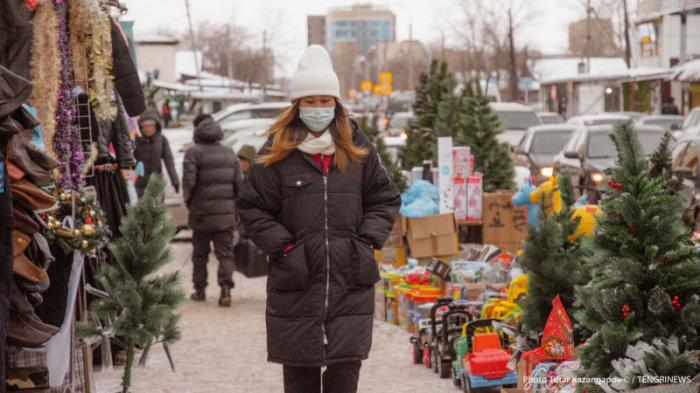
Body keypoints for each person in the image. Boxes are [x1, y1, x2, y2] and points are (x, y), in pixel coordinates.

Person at [237, 45, 401, 393]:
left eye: (324, 101)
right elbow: (251, 207)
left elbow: (385, 197)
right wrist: (284, 247)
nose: (317, 109)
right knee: (300, 381)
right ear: (296, 106)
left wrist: (365, 240)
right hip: (296, 282)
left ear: (336, 104)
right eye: (309, 101)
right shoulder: (277, 153)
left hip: (350, 282)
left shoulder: (357, 150)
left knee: (344, 380)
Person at [182, 116, 242, 307]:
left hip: (201, 212)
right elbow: (239, 184)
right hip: (225, 213)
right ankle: (225, 289)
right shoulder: (229, 152)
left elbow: (189, 182)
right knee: (225, 253)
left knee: (200, 254)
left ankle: (199, 291)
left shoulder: (193, 152)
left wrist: (189, 202)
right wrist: (236, 210)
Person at [133, 109, 179, 198]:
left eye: (151, 125)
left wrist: (175, 180)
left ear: (156, 126)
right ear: (141, 127)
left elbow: (169, 163)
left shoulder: (162, 140)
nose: (148, 128)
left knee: (156, 209)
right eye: (145, 126)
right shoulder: (135, 140)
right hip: (139, 182)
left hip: (156, 181)